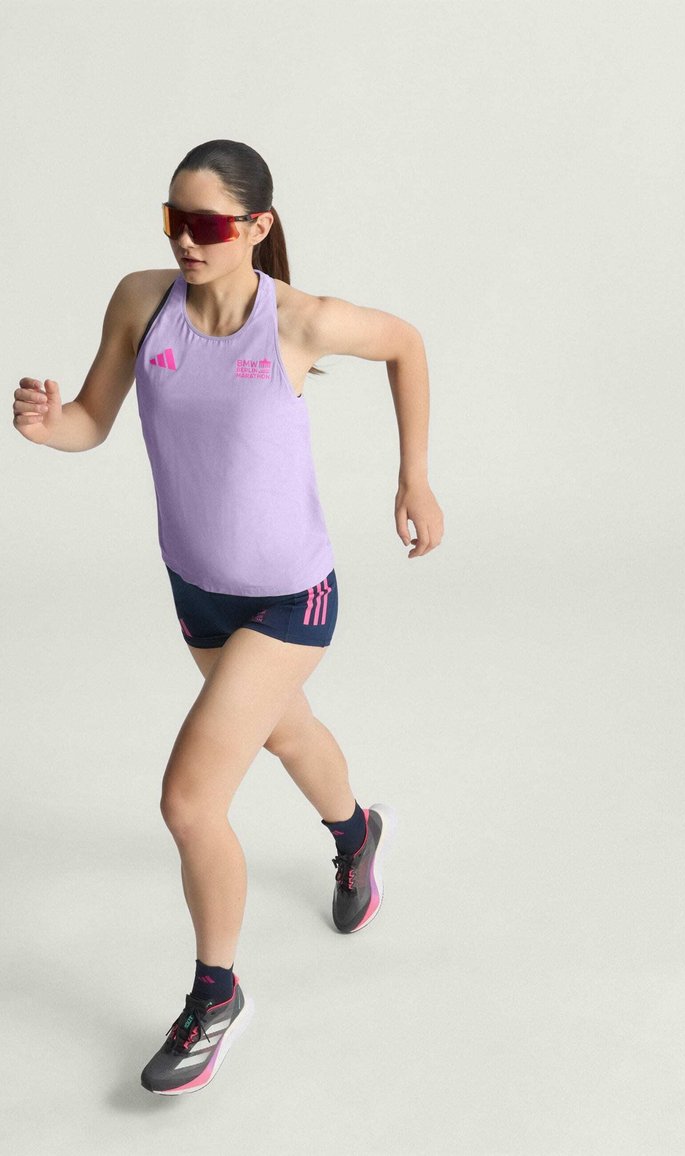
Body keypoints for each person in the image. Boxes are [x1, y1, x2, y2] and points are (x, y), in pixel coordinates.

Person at [13, 138, 444, 1096]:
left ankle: (217, 995)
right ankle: (357, 834)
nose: (185, 240)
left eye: (206, 224)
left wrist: (412, 477)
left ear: (257, 227)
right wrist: (50, 426)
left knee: (189, 801)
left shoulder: (298, 320)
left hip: (292, 596)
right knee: (287, 733)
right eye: (174, 219)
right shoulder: (142, 302)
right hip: (199, 590)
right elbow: (91, 419)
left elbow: (407, 343)